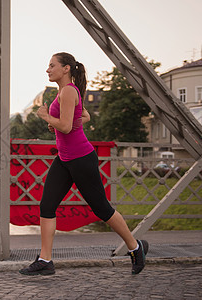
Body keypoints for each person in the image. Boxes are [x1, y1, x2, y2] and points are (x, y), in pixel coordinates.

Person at [19, 52, 148, 276]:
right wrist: (56, 124)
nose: (48, 69)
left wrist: (47, 117)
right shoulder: (64, 92)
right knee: (47, 206)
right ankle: (45, 260)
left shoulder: (69, 91)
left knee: (102, 209)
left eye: (52, 65)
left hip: (81, 158)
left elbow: (68, 127)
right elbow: (84, 117)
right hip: (65, 158)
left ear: (66, 68)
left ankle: (135, 248)